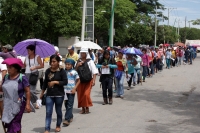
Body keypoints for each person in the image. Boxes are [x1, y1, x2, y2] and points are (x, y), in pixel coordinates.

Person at [1, 58, 31, 133]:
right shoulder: (6, 77)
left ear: (17, 69)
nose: (8, 69)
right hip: (7, 104)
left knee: (14, 122)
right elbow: (2, 89)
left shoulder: (22, 78)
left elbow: (27, 91)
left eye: (10, 67)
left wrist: (27, 104)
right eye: (7, 67)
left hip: (19, 104)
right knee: (11, 122)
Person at [40, 55, 68, 133]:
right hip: (49, 94)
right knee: (48, 112)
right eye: (51, 61)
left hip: (59, 94)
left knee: (58, 111)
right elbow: (45, 82)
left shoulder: (62, 71)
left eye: (54, 61)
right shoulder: (48, 71)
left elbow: (65, 82)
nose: (52, 63)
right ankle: (47, 128)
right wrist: (42, 92)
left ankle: (58, 125)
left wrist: (55, 82)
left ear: (58, 62)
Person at [75, 47, 98, 114]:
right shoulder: (78, 61)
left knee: (86, 95)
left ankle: (87, 107)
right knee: (80, 95)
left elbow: (94, 71)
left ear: (86, 53)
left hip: (88, 80)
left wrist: (94, 80)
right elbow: (75, 71)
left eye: (84, 53)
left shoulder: (90, 61)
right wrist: (78, 65)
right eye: (81, 53)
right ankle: (83, 108)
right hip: (80, 81)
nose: (82, 54)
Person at [63, 58, 80, 126]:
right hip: (64, 91)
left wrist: (75, 88)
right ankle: (70, 116)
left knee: (70, 105)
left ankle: (67, 119)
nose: (67, 66)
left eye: (69, 64)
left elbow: (79, 80)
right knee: (66, 105)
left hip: (71, 91)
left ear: (72, 65)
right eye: (66, 64)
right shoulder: (63, 72)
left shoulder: (74, 72)